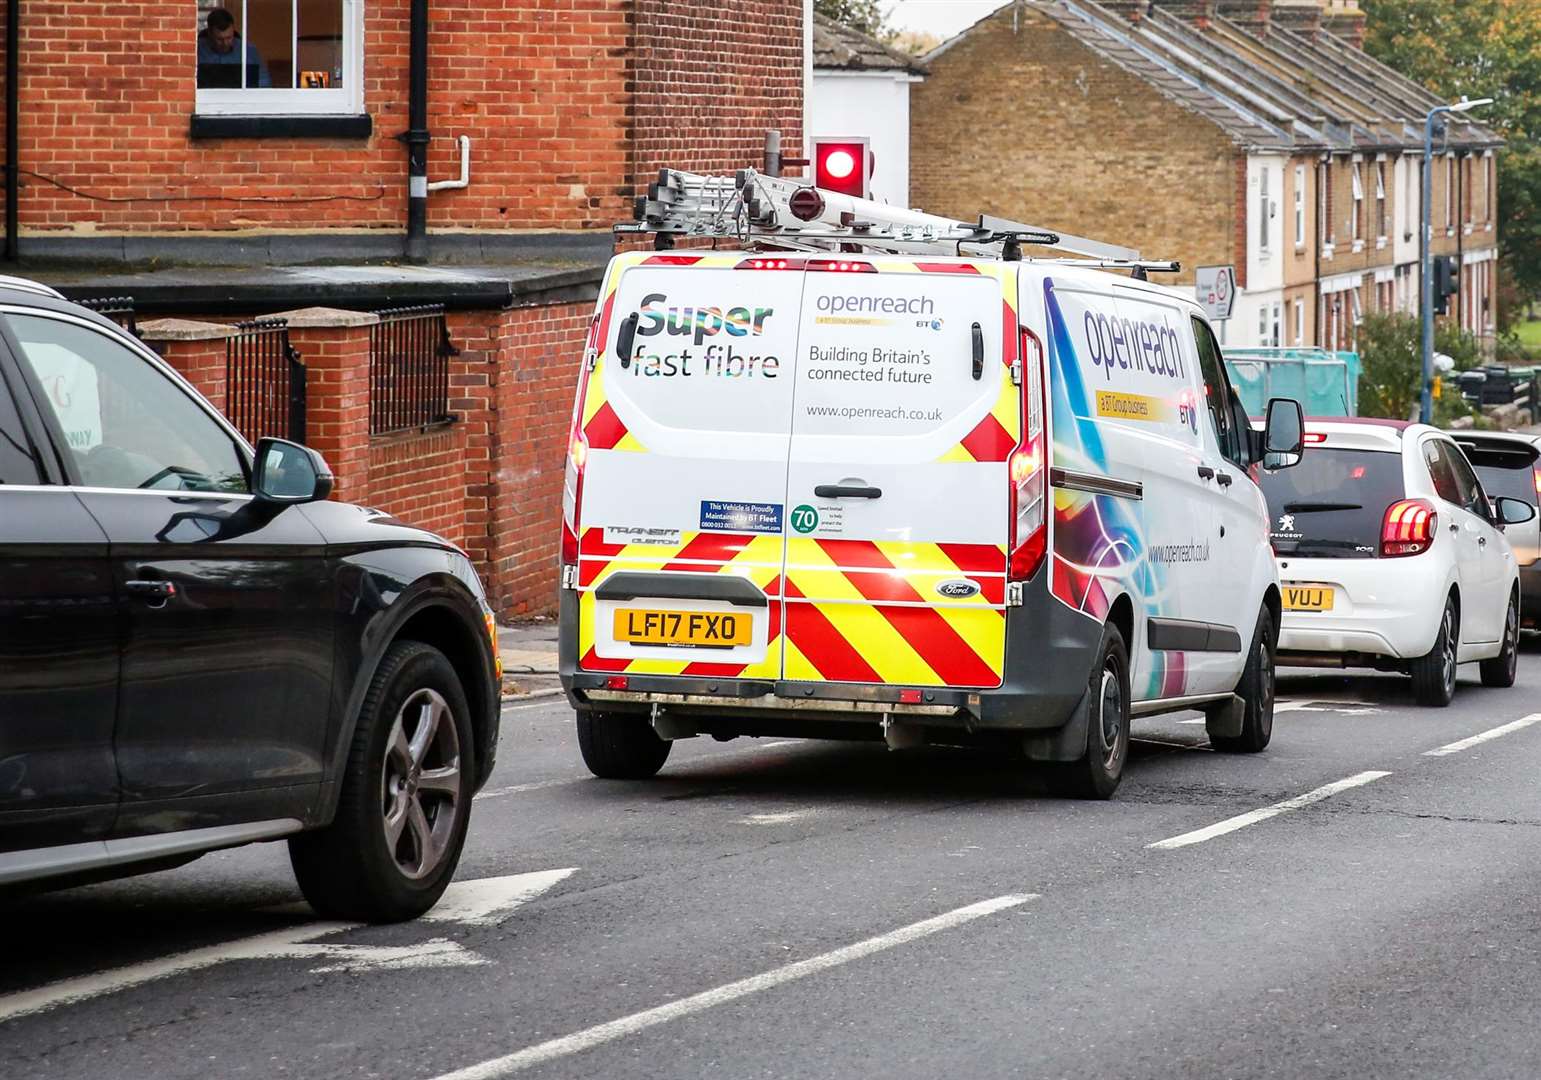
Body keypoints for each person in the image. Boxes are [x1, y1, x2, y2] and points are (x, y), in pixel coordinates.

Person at [197, 8, 272, 88]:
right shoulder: (196, 50)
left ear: (233, 30)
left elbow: (264, 81)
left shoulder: (248, 51)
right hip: (205, 98)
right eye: (219, 39)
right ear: (209, 34)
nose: (225, 43)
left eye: (229, 38)